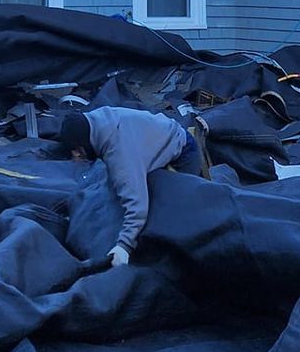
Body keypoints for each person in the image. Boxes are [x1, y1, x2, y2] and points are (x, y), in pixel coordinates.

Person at [54, 106, 206, 269]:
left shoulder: (121, 155)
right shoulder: (97, 122)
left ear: (83, 144)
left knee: (181, 216)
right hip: (157, 136)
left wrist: (124, 246)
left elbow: (138, 207)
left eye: (76, 151)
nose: (76, 157)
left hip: (182, 151)